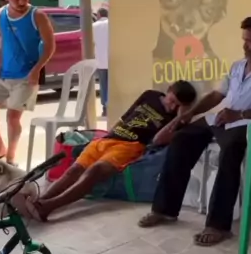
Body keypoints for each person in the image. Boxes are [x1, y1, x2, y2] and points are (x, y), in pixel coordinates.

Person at [139, 15, 251, 246]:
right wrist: (190, 114)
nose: (244, 45)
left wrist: (240, 115)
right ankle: (165, 209)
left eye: (249, 41)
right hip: (222, 118)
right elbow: (216, 96)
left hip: (250, 124)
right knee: (182, 138)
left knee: (230, 152)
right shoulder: (238, 66)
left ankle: (218, 226)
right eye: (244, 40)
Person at [26, 80, 197, 221]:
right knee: (74, 170)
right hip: (108, 139)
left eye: (178, 106)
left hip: (130, 146)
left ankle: (48, 207)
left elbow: (158, 139)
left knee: (95, 171)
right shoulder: (150, 95)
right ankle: (40, 202)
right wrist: (110, 134)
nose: (172, 107)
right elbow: (127, 115)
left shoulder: (175, 119)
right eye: (172, 101)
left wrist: (180, 117)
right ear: (168, 91)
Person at [0, 0, 55, 164]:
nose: (22, 2)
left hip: (26, 76)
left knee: (12, 117)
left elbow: (50, 45)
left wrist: (37, 69)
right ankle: (0, 146)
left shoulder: (37, 15)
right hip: (3, 74)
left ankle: (11, 156)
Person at [93, 7, 109, 117]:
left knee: (103, 86)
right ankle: (112, 105)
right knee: (112, 85)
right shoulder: (112, 25)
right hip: (113, 60)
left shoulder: (94, 26)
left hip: (100, 60)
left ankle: (105, 108)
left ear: (98, 15)